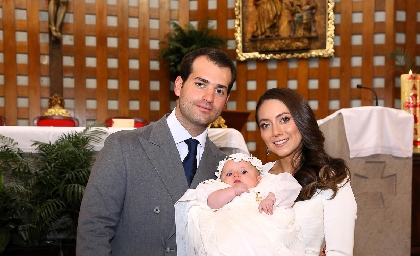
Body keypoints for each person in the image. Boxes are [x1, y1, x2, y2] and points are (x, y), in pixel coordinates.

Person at [76, 47, 237, 255]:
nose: (209, 97)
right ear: (179, 85)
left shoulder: (225, 167)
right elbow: (94, 229)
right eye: (200, 84)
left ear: (226, 100)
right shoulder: (124, 147)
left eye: (219, 90)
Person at [255, 88, 357, 256]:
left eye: (284, 119)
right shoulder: (258, 176)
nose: (275, 132)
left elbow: (340, 252)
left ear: (303, 120)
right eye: (266, 125)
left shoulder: (330, 178)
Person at [175, 153, 305, 256]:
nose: (236, 175)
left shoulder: (265, 184)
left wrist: (271, 198)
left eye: (244, 172)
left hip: (264, 229)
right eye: (229, 174)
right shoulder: (218, 188)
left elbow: (289, 186)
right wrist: (232, 191)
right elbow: (211, 202)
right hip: (231, 233)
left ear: (258, 179)